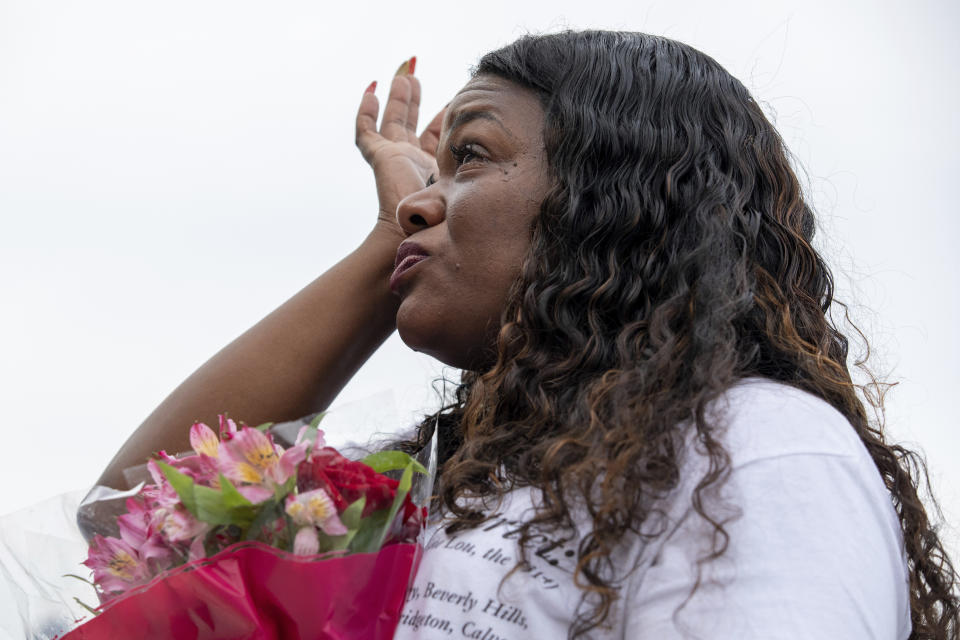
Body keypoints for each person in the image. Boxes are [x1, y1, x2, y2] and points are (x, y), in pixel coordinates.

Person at [97, 31, 958, 638]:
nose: (417, 202)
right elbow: (132, 519)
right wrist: (386, 246)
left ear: (609, 192)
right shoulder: (445, 475)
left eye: (469, 155)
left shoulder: (753, 446)